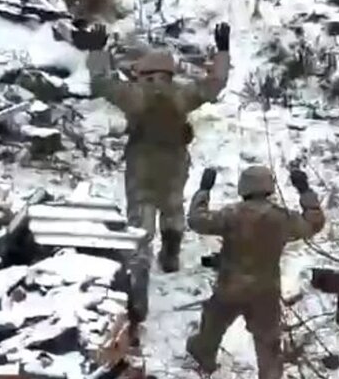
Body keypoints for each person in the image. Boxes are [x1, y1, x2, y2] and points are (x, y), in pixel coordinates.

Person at [75, 22, 232, 321]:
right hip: (174, 163)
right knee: (173, 206)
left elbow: (100, 82)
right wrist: (223, 51)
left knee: (141, 221)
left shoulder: (134, 95)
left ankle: (139, 285)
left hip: (142, 163)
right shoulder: (181, 95)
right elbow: (216, 84)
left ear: (143, 73)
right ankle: (171, 255)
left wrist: (97, 50)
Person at [184, 165, 325, 379]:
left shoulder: (231, 214)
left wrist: (204, 190)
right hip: (266, 292)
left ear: (244, 187)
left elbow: (196, 220)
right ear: (269, 187)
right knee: (269, 350)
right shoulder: (282, 218)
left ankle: (204, 357)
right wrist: (305, 191)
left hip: (230, 287)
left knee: (211, 326)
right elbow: (314, 223)